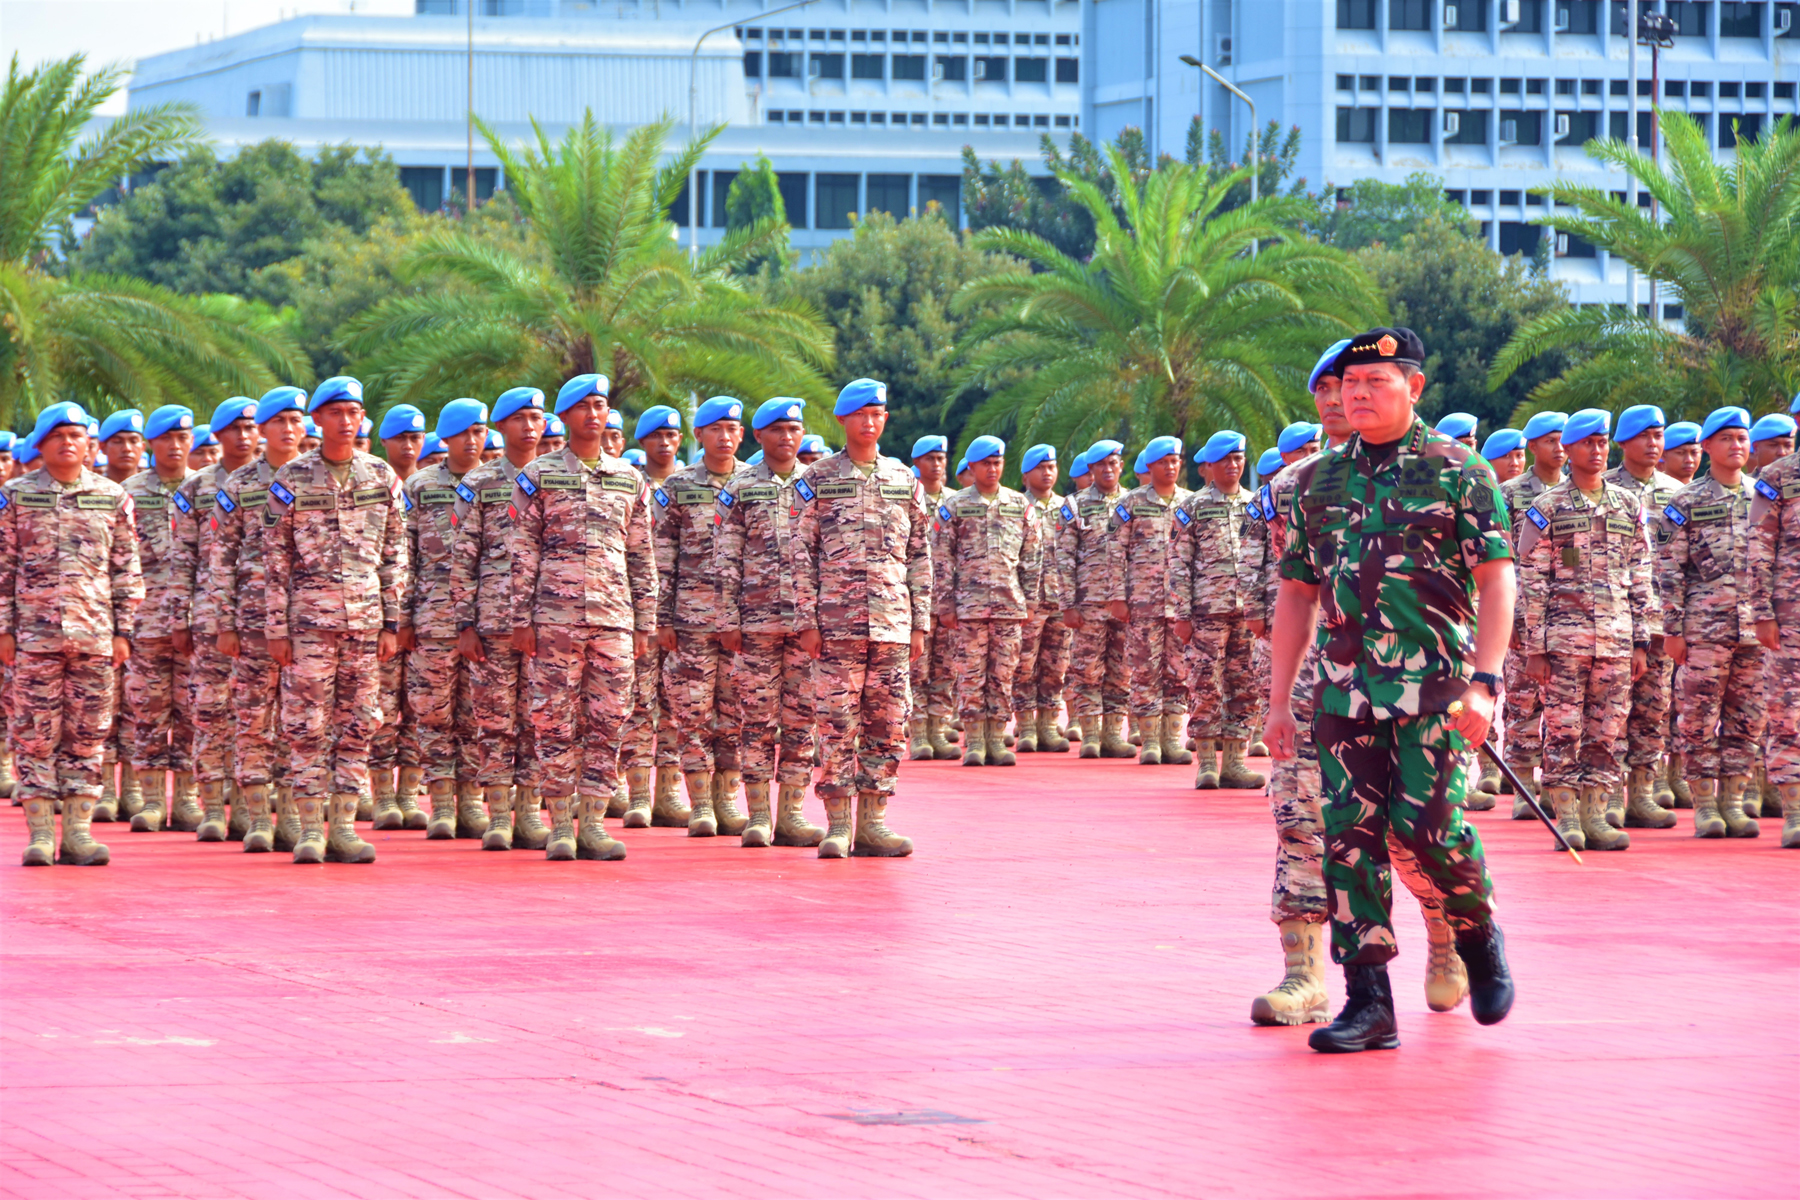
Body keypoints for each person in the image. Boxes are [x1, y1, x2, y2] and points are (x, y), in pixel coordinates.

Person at [1267, 327, 1515, 1053]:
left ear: (1414, 387)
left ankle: (1478, 934)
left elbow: (1498, 579)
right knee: (1349, 842)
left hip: (1436, 691)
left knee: (1430, 830)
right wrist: (1280, 701)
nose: (1359, 395)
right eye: (1350, 384)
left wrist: (1485, 683)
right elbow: (1296, 594)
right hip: (1344, 694)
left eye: (1376, 382)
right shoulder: (1315, 482)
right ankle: (1368, 1002)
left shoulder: (1459, 471)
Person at [509, 373, 654, 862]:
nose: (594, 414)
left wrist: (645, 623)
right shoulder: (538, 475)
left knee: (609, 719)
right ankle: (559, 826)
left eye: (600, 405)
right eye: (584, 406)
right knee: (554, 720)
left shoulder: (629, 477)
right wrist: (521, 618)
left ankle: (592, 824)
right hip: (554, 618)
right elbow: (522, 550)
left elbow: (642, 555)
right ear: (565, 415)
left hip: (614, 619)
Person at [264, 376, 405, 864]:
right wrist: (276, 629)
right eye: (337, 413)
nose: (347, 422)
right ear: (317, 420)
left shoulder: (381, 476)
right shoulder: (291, 479)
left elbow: (395, 554)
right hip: (308, 625)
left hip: (365, 624)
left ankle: (343, 827)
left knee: (359, 723)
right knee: (306, 725)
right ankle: (309, 829)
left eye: (354, 413)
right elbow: (274, 559)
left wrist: (391, 622)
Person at [0, 404, 143, 866]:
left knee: (88, 734)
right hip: (32, 638)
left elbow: (126, 570)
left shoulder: (112, 496)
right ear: (41, 444)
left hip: (95, 637)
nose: (68, 443)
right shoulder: (14, 496)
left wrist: (124, 631)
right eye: (58, 435)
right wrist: (3, 629)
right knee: (34, 734)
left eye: (76, 435)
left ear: (89, 445)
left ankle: (79, 834)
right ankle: (41, 835)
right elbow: (2, 568)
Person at [791, 379, 927, 858]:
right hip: (835, 624)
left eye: (877, 415)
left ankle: (873, 824)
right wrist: (806, 620)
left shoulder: (904, 479)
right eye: (860, 415)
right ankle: (837, 824)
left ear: (885, 419)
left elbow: (919, 555)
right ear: (842, 420)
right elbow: (800, 554)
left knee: (888, 724)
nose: (869, 423)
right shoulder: (816, 478)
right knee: (836, 723)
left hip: (892, 622)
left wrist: (920, 623)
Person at [1515, 409, 1653, 852]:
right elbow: (1532, 580)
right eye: (1587, 443)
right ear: (1569, 449)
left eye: (1602, 442)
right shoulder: (1547, 507)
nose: (1597, 450)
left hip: (1616, 640)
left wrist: (1641, 641)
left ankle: (1596, 816)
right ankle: (1568, 819)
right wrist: (1535, 647)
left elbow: (1641, 574)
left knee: (1607, 731)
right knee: (1563, 730)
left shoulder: (1628, 505)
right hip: (1563, 642)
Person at [716, 397, 826, 847]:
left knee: (802, 719)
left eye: (794, 429)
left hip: (807, 624)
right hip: (756, 621)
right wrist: (727, 617)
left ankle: (792, 815)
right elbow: (726, 556)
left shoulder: (816, 483)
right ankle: (758, 815)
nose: (787, 437)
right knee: (756, 721)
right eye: (777, 429)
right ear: (759, 435)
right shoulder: (739, 487)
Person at [450, 386, 550, 850]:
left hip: (547, 620)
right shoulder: (479, 482)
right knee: (493, 721)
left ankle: (529, 812)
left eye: (536, 417)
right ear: (501, 427)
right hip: (492, 621)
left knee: (539, 719)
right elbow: (462, 557)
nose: (530, 427)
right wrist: (464, 624)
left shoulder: (557, 476)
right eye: (519, 419)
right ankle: (497, 816)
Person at [207, 387, 306, 851]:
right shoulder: (238, 484)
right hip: (252, 621)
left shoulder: (318, 477)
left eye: (295, 420)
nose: (288, 429)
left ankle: (292, 814)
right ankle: (256, 816)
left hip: (309, 620)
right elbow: (221, 558)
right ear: (263, 429)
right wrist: (224, 623)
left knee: (302, 721)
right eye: (279, 421)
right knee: (252, 718)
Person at [1663, 406, 1765, 839]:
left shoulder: (1763, 496)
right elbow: (1669, 569)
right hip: (1704, 630)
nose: (1736, 446)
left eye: (1742, 438)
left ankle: (1734, 802)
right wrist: (1673, 630)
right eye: (1726, 438)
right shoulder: (1685, 501)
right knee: (1698, 717)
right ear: (1706, 446)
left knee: (1749, 717)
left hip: (1756, 630)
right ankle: (1705, 804)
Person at [656, 395, 749, 837]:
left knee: (735, 712)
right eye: (715, 429)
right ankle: (700, 805)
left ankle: (727, 800)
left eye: (732, 430)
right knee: (691, 711)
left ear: (741, 435)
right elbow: (662, 554)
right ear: (698, 435)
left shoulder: (754, 482)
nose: (724, 437)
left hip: (744, 621)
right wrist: (662, 618)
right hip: (690, 619)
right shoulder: (678, 486)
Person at [169, 395, 259, 841]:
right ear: (218, 435)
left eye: (250, 428)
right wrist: (179, 619)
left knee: (258, 716)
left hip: (264, 619)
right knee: (209, 711)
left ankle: (248, 807)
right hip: (209, 618)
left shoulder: (283, 480)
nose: (244, 436)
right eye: (234, 430)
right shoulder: (195, 488)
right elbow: (181, 557)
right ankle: (211, 809)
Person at [931, 436, 1043, 767]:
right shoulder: (953, 506)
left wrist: (1030, 600)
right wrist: (945, 604)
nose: (992, 469)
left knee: (1003, 675)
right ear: (972, 467)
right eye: (985, 464)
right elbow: (941, 557)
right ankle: (975, 741)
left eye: (997, 463)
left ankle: (996, 738)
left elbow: (1032, 556)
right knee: (970, 676)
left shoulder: (1019, 504)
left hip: (1009, 606)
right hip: (968, 608)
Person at [404, 398, 488, 840]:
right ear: (445, 437)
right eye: (463, 433)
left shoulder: (498, 483)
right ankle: (439, 803)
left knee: (477, 713)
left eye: (479, 432)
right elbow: (404, 555)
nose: (472, 441)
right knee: (434, 713)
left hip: (485, 619)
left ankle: (471, 801)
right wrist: (402, 618)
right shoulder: (419, 486)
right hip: (432, 617)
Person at [1601, 404, 1683, 827]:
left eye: (1659, 435)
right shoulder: (1604, 488)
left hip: (1661, 621)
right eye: (1644, 436)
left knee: (1654, 710)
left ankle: (1643, 795)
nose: (1654, 444)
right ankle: (1610, 795)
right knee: (1613, 712)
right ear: (1622, 442)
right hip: (1616, 619)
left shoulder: (1677, 492)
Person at [122, 405, 197, 833]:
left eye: (182, 437)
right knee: (148, 711)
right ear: (151, 443)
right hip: (146, 620)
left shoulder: (205, 488)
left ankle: (186, 799)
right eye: (166, 437)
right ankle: (151, 801)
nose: (175, 445)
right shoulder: (129, 492)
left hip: (195, 622)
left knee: (192, 710)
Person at [1174, 430, 1262, 786]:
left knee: (1245, 685)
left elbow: (1267, 558)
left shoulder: (1255, 504)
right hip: (1205, 612)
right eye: (1225, 460)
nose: (1232, 465)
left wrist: (1263, 609)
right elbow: (1179, 563)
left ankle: (1235, 763)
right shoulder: (1192, 507)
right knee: (1204, 684)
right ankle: (1207, 763)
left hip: (1248, 612)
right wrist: (1181, 614)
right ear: (1209, 465)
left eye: (1238, 458)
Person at [1101, 436, 1194, 767]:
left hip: (1180, 604)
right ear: (1150, 466)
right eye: (1163, 462)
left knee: (1178, 671)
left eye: (1174, 461)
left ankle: (1172, 740)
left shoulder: (1190, 503)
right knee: (1144, 670)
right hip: (1142, 603)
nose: (1170, 467)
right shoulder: (1130, 503)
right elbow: (1114, 552)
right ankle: (1150, 740)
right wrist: (1117, 596)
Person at [618, 405, 688, 828]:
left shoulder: (692, 484)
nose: (665, 442)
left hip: (685, 614)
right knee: (639, 704)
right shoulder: (627, 482)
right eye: (656, 436)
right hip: (637, 614)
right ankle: (638, 794)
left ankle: (669, 792)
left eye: (672, 435)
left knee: (677, 705)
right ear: (642, 441)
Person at [1497, 410, 1567, 817]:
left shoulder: (1578, 491)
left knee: (1564, 707)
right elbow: (1499, 559)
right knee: (1523, 700)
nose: (1559, 448)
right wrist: (1508, 615)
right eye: (1550, 441)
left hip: (1571, 616)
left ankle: (1556, 785)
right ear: (1534, 446)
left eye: (1563, 440)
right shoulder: (1509, 493)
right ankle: (1522, 785)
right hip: (1523, 613)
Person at [371, 404, 430, 828]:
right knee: (381, 705)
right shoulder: (373, 483)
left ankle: (409, 793)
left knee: (420, 707)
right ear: (384, 442)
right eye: (401, 438)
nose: (409, 446)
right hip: (382, 619)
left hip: (429, 616)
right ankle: (380, 795)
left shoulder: (433, 486)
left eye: (416, 438)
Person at [1058, 441, 1132, 758]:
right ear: (1090, 470)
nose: (1108, 469)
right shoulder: (1074, 505)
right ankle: (1090, 734)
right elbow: (1064, 558)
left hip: (1126, 603)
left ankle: (1113, 735)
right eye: (1101, 464)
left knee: (1121, 670)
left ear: (1121, 466)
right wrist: (1067, 604)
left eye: (1113, 463)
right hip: (1089, 603)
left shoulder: (1134, 502)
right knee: (1087, 669)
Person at [1749, 392, 1800, 847]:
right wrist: (1762, 613)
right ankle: (1795, 810)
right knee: (1788, 712)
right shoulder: (1777, 477)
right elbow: (1759, 549)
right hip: (1790, 614)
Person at [1015, 443, 1072, 755]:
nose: (1047, 473)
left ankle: (1049, 725)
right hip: (1029, 601)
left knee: (1056, 665)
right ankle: (1025, 725)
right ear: (1026, 475)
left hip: (1061, 599)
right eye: (1040, 468)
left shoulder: (1067, 507)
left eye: (1051, 467)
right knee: (1024, 664)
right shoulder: (1016, 506)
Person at [908, 434, 956, 759]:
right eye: (930, 459)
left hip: (949, 600)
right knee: (917, 671)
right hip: (918, 600)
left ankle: (939, 731)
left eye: (941, 458)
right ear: (917, 463)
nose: (937, 464)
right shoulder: (908, 497)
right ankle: (918, 735)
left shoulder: (956, 502)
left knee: (945, 670)